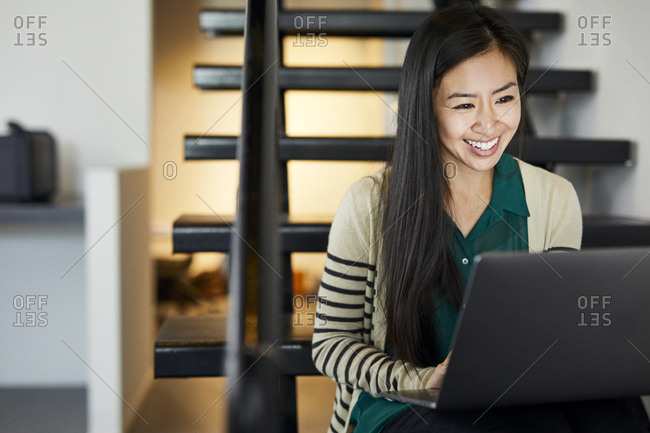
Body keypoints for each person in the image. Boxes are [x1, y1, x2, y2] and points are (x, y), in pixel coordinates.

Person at [312, 3, 648, 433]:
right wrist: (420, 379)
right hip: (400, 406)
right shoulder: (369, 203)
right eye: (464, 104)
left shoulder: (554, 198)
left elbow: (558, 335)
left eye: (505, 99)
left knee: (617, 412)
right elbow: (330, 345)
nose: (489, 124)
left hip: (515, 396)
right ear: (426, 105)